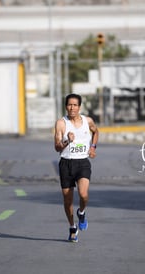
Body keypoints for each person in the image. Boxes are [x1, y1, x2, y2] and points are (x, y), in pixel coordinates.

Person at [54, 93, 99, 243]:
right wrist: (67, 140)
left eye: (75, 105)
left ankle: (82, 212)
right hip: (66, 164)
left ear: (79, 107)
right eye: (69, 105)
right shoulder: (61, 123)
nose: (72, 107)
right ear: (66, 106)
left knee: (83, 194)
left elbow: (96, 131)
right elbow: (57, 147)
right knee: (67, 201)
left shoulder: (88, 121)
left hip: (82, 163)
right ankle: (72, 228)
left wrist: (93, 147)